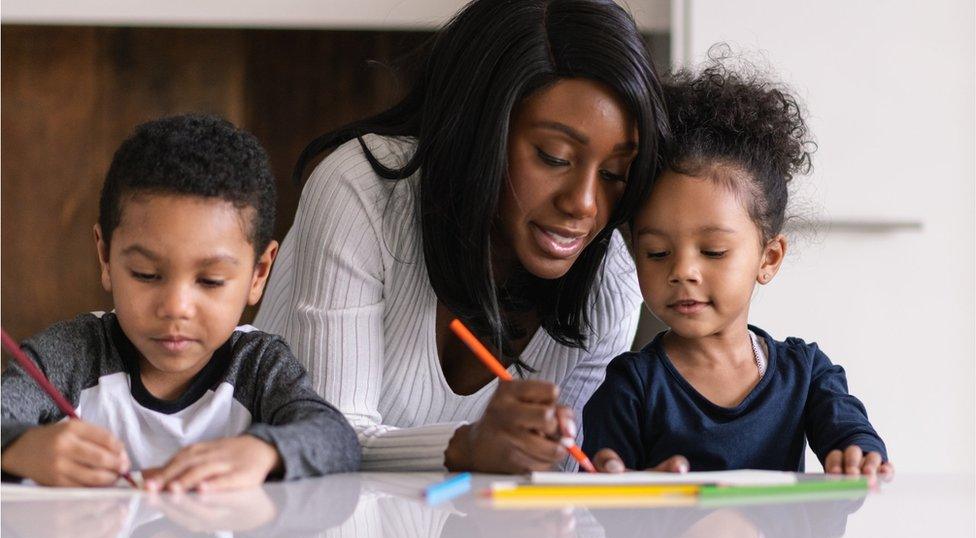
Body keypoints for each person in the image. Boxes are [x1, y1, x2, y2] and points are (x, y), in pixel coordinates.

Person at [254, 0, 675, 473]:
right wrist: (465, 448)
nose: (584, 203)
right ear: (480, 129)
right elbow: (325, 439)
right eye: (554, 156)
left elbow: (555, 480)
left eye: (616, 172)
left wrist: (627, 508)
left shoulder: (611, 277)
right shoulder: (363, 191)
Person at [1, 114, 361, 490]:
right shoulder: (71, 355)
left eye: (210, 281)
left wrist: (263, 451)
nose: (176, 307)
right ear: (105, 258)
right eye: (145, 274)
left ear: (258, 274)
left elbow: (338, 439)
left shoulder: (257, 366)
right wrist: (21, 448)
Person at [583, 57, 894, 480]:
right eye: (656, 253)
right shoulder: (630, 388)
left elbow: (852, 432)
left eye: (712, 251)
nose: (683, 271)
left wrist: (858, 452)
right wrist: (627, 489)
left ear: (768, 259)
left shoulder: (805, 375)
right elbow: (598, 498)